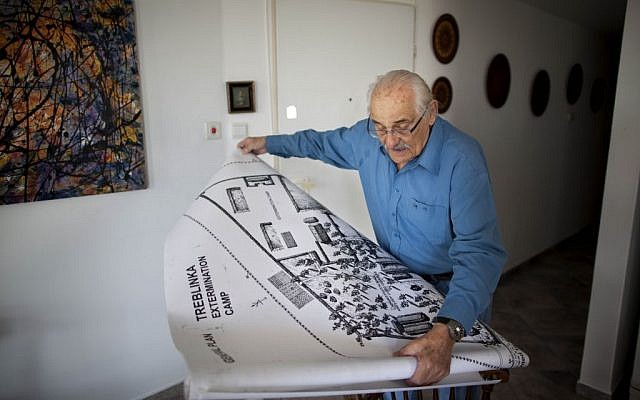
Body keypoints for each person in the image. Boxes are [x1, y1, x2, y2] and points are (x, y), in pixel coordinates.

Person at [237, 70, 506, 395]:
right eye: (380, 127)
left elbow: (480, 254)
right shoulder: (367, 139)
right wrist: (266, 143)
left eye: (403, 127)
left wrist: (448, 329)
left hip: (452, 292)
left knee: (450, 386)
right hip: (396, 285)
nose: (390, 141)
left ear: (431, 112)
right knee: (396, 379)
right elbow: (319, 143)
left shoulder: (463, 159)